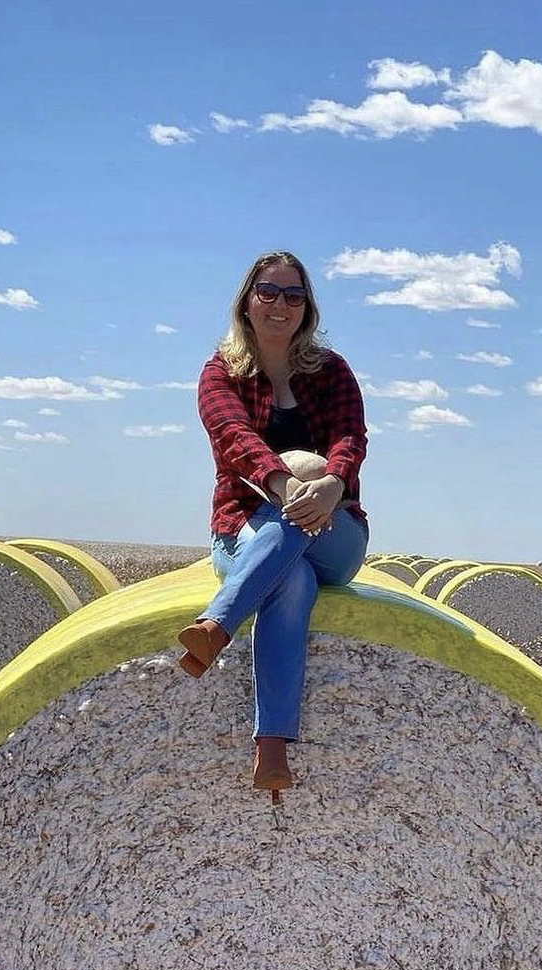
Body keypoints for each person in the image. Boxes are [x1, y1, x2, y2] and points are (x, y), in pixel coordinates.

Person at [179, 250, 369, 793]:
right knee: (292, 579)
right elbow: (235, 439)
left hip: (338, 530)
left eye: (294, 295)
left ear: (307, 308)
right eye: (269, 292)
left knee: (302, 548)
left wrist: (331, 485)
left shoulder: (331, 371)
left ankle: (218, 623)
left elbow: (350, 438)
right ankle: (271, 749)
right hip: (243, 523)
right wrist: (284, 487)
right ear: (247, 301)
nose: (280, 304)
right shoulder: (221, 371)